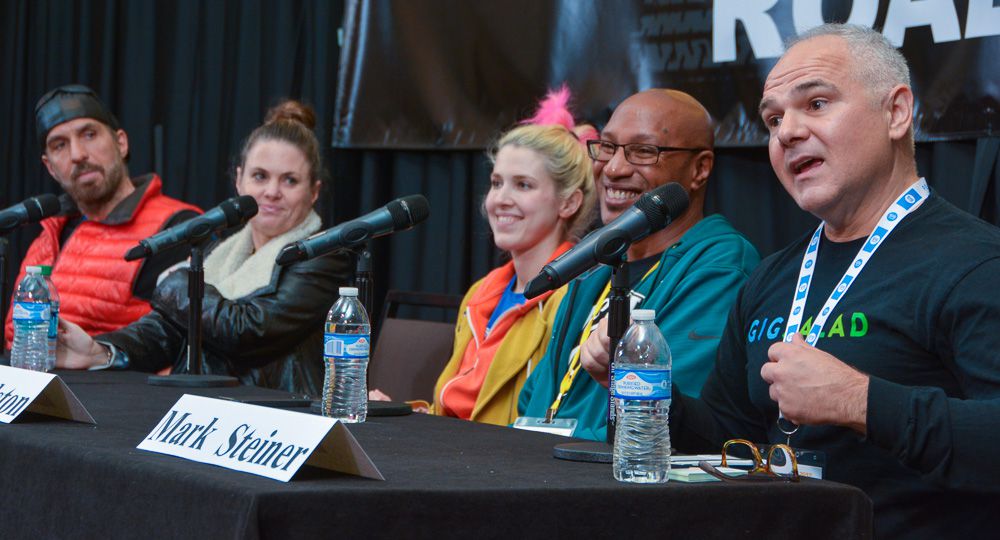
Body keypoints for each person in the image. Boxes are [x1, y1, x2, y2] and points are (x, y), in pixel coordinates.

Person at [581, 25, 1000, 538]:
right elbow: (725, 437)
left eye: (817, 104)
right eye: (774, 118)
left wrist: (858, 401)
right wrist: (644, 392)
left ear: (895, 112)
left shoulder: (976, 262)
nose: (786, 132)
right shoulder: (772, 276)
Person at [56, 101, 352, 396]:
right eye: (260, 176)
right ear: (239, 180)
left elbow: (249, 332)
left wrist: (182, 282)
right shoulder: (221, 250)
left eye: (290, 180)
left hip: (275, 422)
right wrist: (99, 351)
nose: (272, 192)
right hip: (202, 412)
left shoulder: (324, 256)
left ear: (313, 192)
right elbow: (169, 331)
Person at [519, 89, 760, 441]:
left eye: (644, 151)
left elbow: (672, 415)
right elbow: (535, 399)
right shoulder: (594, 267)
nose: (614, 168)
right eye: (607, 147)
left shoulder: (720, 266)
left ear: (700, 168)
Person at [5, 84, 201, 346]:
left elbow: (178, 345)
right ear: (50, 167)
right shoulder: (47, 235)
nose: (78, 155)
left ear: (121, 142)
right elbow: (14, 339)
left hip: (119, 385)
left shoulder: (177, 226)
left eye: (89, 134)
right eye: (60, 145)